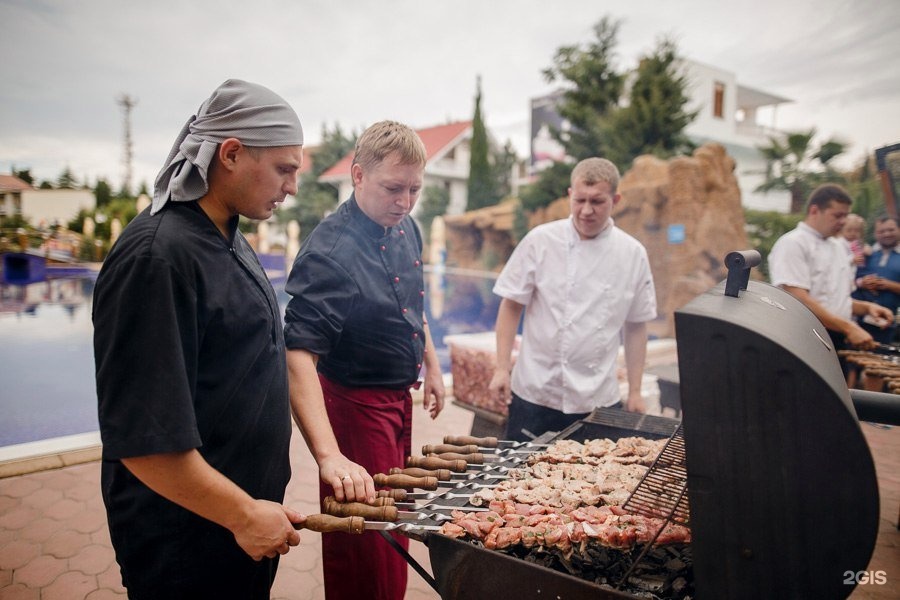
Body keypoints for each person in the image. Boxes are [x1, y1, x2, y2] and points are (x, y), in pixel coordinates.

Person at [93, 79, 307, 599]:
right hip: (187, 540)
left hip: (241, 525)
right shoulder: (157, 258)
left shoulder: (226, 233)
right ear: (231, 154)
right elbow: (145, 443)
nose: (293, 187)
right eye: (285, 168)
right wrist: (242, 514)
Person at [283, 120, 445, 600]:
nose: (406, 202)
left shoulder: (407, 226)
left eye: (415, 189)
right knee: (366, 543)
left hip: (398, 405)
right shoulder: (329, 253)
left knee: (393, 527)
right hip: (354, 410)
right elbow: (297, 355)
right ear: (357, 175)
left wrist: (431, 365)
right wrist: (329, 455)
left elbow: (414, 308)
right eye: (393, 188)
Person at [488, 157, 657, 442]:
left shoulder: (633, 253)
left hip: (597, 398)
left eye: (597, 201)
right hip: (534, 392)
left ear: (616, 199)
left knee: (592, 484)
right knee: (517, 481)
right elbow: (511, 305)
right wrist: (502, 368)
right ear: (570, 194)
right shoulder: (539, 240)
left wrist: (637, 391)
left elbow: (636, 325)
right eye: (579, 200)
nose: (586, 210)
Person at [768, 184, 892, 353]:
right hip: (803, 338)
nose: (843, 222)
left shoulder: (838, 246)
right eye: (837, 215)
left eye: (846, 216)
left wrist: (866, 308)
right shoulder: (793, 243)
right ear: (814, 211)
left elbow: (834, 299)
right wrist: (849, 327)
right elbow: (798, 298)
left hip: (837, 337)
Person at [853, 216, 900, 343]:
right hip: (858, 323)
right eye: (881, 231)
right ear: (875, 233)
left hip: (888, 325)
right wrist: (863, 282)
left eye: (891, 230)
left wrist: (889, 285)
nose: (886, 234)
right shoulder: (866, 254)